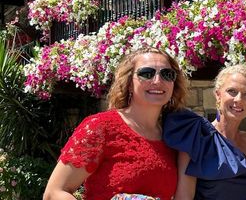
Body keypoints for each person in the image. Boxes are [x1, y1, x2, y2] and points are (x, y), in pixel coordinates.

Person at [43, 47, 188, 200]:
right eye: (147, 73)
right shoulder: (100, 127)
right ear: (129, 83)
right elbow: (54, 193)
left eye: (167, 74)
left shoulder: (173, 136)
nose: (158, 81)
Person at [163, 64, 246, 200]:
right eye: (232, 91)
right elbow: (184, 196)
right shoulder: (197, 137)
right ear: (218, 95)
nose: (239, 99)